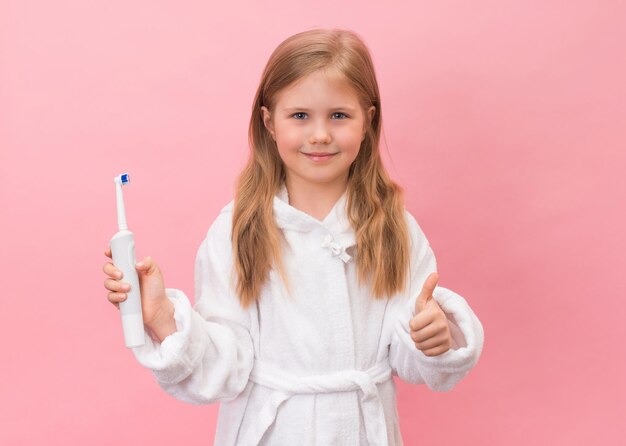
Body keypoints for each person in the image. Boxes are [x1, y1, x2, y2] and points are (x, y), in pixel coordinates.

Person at [102, 28, 484, 446]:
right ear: (269, 121)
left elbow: (409, 350)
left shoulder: (395, 229)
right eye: (300, 115)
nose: (319, 134)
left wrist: (431, 336)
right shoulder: (237, 231)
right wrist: (162, 320)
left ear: (368, 121)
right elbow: (225, 365)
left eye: (339, 115)